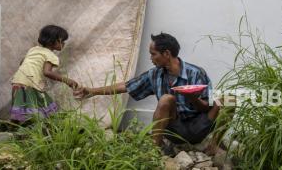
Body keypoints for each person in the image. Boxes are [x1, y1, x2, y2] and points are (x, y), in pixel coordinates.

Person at [74, 32, 221, 153]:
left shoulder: (196, 74)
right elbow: (126, 86)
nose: (150, 58)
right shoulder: (155, 74)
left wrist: (194, 99)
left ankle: (213, 147)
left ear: (167, 54)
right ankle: (154, 150)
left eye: (153, 54)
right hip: (175, 129)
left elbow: (208, 107)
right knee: (166, 99)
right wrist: (92, 91)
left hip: (200, 126)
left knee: (229, 99)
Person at [10, 25, 79, 123]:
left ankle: (15, 130)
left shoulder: (33, 49)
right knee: (42, 107)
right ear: (54, 41)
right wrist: (67, 80)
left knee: (20, 109)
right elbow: (47, 72)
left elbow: (22, 62)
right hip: (31, 83)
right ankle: (46, 128)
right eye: (62, 41)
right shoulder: (51, 55)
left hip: (17, 81)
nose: (63, 44)